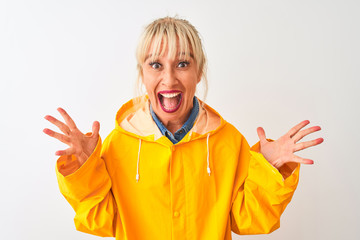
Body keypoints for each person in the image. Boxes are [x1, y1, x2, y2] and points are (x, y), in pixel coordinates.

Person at [43, 16, 323, 240]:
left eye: (182, 64)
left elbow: (248, 219)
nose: (169, 78)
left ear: (198, 71)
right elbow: (100, 221)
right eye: (155, 64)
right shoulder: (119, 143)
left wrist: (270, 171)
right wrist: (84, 171)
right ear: (142, 73)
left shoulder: (228, 141)